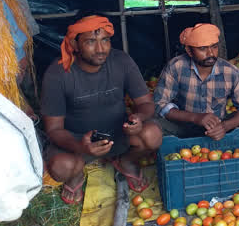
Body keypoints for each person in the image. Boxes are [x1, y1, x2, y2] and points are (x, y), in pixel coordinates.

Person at [40, 14, 162, 204]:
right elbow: (54, 129)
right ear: (74, 44)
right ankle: (76, 174)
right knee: (60, 167)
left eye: (105, 40)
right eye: (90, 42)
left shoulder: (121, 61)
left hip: (118, 134)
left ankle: (126, 161)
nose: (100, 49)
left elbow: (146, 104)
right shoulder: (57, 74)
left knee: (152, 135)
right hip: (75, 141)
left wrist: (137, 118)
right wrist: (80, 146)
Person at [153, 23, 239, 141]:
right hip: (183, 126)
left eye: (214, 47)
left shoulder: (231, 72)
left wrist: (224, 126)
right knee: (152, 126)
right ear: (189, 51)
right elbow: (160, 104)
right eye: (202, 48)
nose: (210, 54)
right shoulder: (176, 67)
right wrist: (195, 118)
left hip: (218, 127)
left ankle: (223, 144)